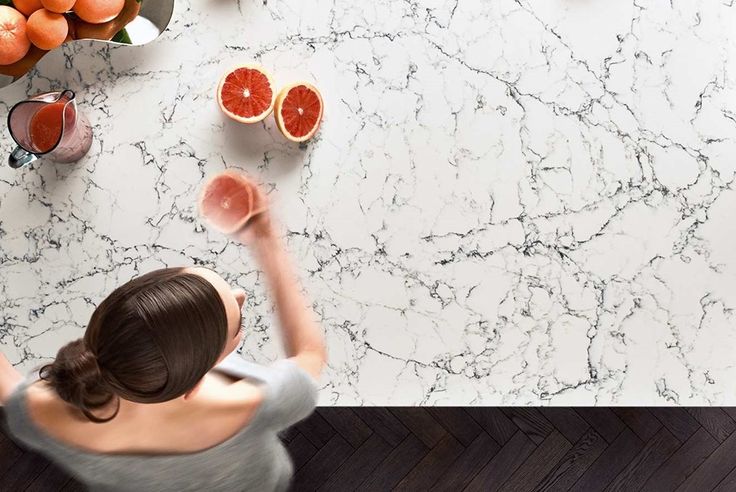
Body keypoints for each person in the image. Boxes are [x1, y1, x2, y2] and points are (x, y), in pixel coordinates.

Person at [0, 182, 327, 491]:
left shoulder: (41, 412)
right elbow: (310, 354)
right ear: (196, 383)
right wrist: (266, 238)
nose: (241, 293)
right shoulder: (254, 403)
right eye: (237, 321)